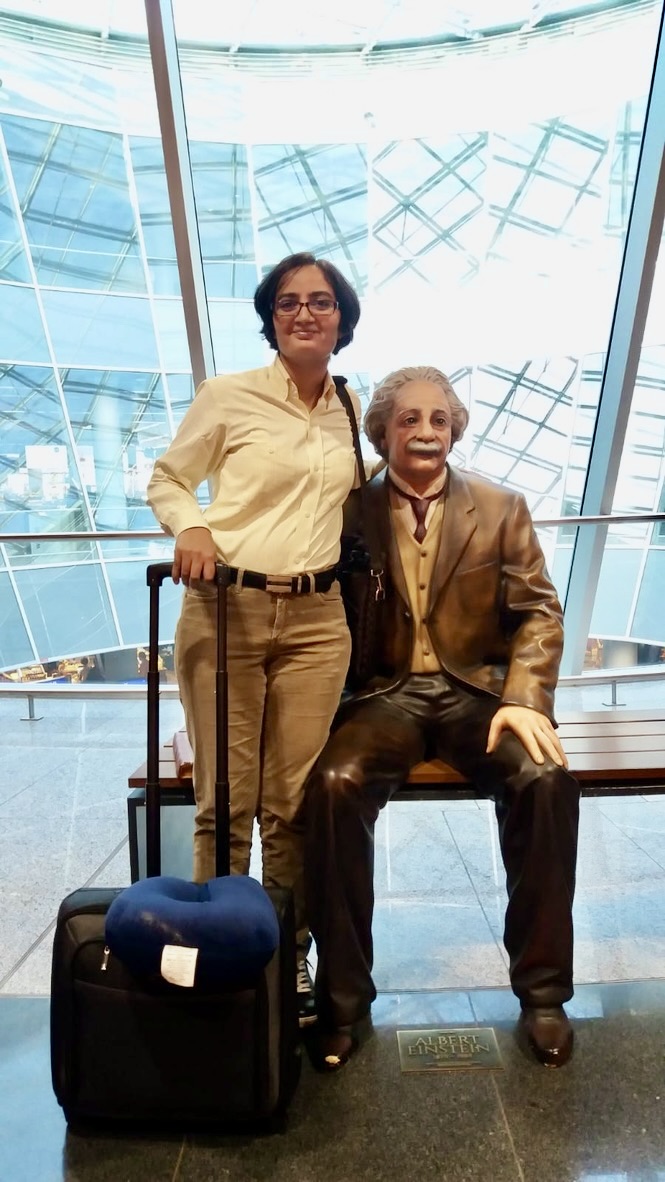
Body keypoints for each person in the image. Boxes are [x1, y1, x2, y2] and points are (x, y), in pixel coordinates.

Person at [304, 365, 580, 1070]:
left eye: (437, 419)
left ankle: (543, 996)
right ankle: (340, 1002)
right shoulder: (345, 509)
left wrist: (522, 697)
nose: (424, 431)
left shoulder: (498, 505)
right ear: (383, 431)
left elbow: (539, 612)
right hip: (383, 697)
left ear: (454, 429)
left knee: (544, 780)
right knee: (333, 783)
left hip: (477, 696)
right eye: (407, 419)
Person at [147, 252, 362, 1026]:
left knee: (291, 806)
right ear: (269, 316)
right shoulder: (228, 396)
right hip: (226, 608)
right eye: (288, 302)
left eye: (322, 301)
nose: (305, 313)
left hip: (316, 622)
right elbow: (168, 478)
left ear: (342, 317)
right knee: (224, 803)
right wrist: (195, 526)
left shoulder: (347, 406)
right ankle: (214, 956)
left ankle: (283, 959)